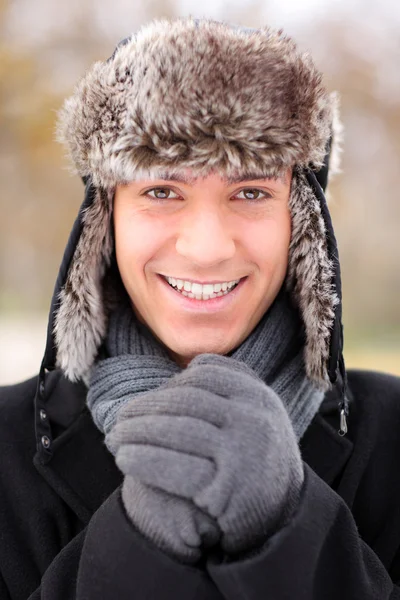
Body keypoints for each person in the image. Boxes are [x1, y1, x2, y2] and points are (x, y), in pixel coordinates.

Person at [1, 16, 399, 600]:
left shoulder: (391, 437)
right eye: (162, 191)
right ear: (104, 219)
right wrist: (136, 541)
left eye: (252, 192)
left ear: (303, 224)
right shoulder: (6, 447)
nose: (207, 248)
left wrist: (290, 521)